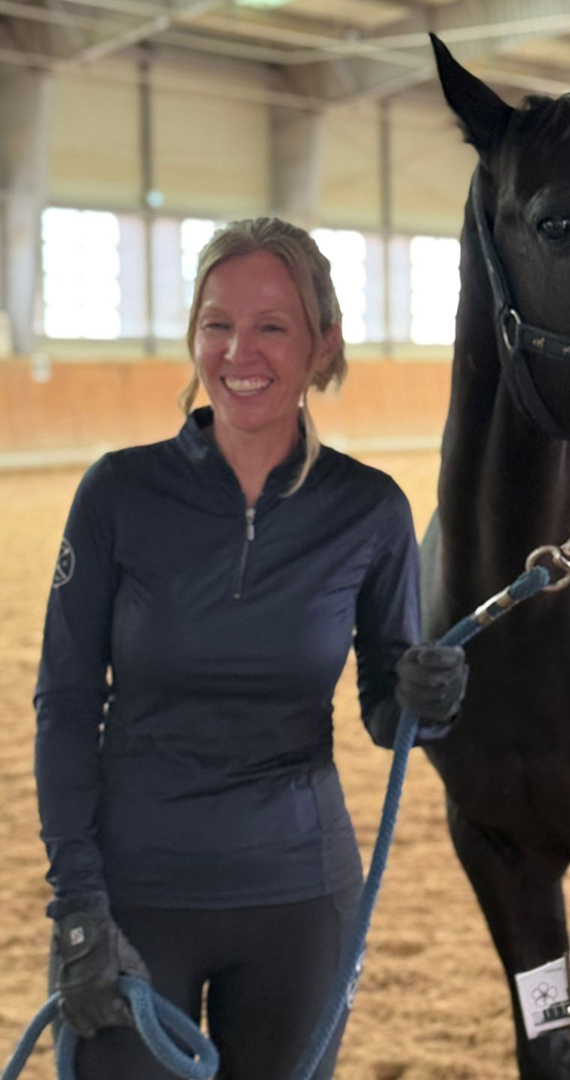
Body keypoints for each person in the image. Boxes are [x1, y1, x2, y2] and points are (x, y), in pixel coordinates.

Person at [34, 217, 468, 1080]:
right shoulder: (118, 492)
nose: (241, 351)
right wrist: (78, 905)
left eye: (273, 326)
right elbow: (66, 703)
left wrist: (432, 699)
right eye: (217, 324)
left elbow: (387, 712)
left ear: (322, 346)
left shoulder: (371, 510)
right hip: (134, 893)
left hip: (298, 898)